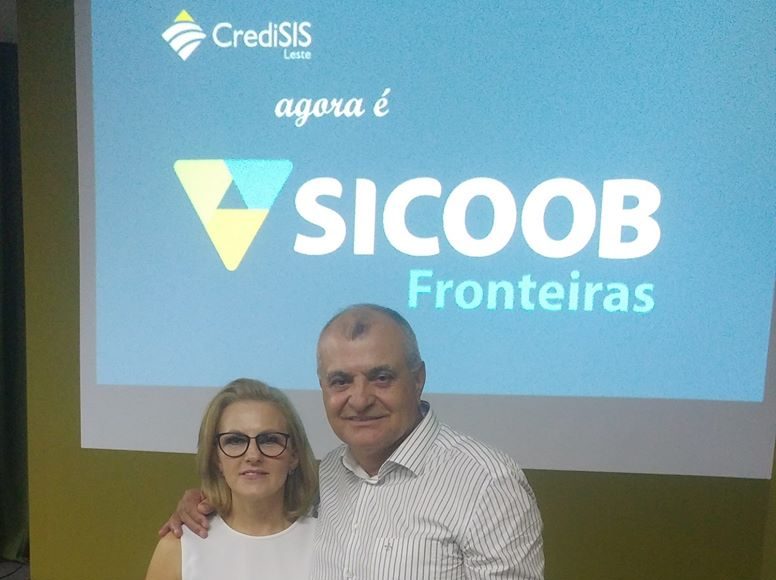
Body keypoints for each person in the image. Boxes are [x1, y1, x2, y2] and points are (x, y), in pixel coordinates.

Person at [164, 305, 544, 579]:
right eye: (341, 381)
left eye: (381, 377)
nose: (359, 400)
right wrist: (202, 502)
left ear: (418, 379)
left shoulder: (486, 483)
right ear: (323, 387)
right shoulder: (328, 475)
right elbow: (263, 512)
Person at [147, 378, 318, 580]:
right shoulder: (178, 549)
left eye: (269, 440)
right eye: (235, 441)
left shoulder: (332, 544)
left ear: (294, 456)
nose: (253, 456)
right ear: (216, 458)